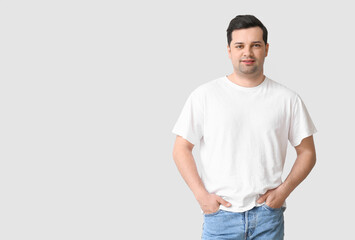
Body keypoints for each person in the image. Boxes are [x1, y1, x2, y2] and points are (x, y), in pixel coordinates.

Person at [171, 14, 318, 239]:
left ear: (266, 49)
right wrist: (201, 196)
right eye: (239, 46)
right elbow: (181, 148)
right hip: (220, 217)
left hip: (267, 215)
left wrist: (283, 192)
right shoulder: (204, 96)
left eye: (255, 45)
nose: (247, 53)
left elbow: (307, 152)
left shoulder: (287, 99)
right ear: (229, 50)